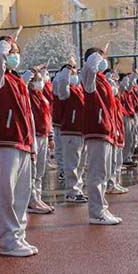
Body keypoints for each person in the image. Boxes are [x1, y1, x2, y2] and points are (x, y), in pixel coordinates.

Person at [0, 36, 36, 256]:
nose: (14, 54)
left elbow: (27, 114)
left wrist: (32, 144)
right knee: (5, 193)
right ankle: (7, 240)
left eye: (16, 50)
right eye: (11, 51)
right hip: (4, 142)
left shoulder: (16, 81)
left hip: (22, 143)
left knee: (21, 193)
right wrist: (5, 42)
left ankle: (18, 236)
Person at [81, 47, 122, 226]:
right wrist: (98, 55)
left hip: (106, 130)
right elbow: (89, 68)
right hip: (96, 129)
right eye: (101, 58)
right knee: (96, 173)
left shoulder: (101, 79)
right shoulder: (89, 78)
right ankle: (96, 212)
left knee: (103, 173)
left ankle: (102, 208)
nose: (104, 61)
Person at [55, 62, 87, 203]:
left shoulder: (80, 90)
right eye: (71, 72)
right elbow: (62, 83)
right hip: (70, 130)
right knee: (72, 163)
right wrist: (67, 69)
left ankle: (77, 189)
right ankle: (71, 191)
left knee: (80, 164)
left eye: (75, 71)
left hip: (82, 130)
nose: (74, 74)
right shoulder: (66, 92)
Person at [27, 69, 55, 214]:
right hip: (34, 136)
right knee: (32, 170)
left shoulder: (41, 96)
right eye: (36, 80)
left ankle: (37, 197)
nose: (39, 82)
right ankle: (31, 199)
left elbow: (47, 116)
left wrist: (50, 136)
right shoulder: (28, 96)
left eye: (40, 79)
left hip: (43, 135)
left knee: (40, 170)